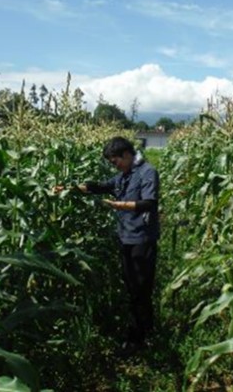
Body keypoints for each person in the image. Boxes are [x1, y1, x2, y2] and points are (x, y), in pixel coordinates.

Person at [54, 136, 160, 352]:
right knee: (132, 288)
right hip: (126, 238)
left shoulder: (148, 172)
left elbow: (150, 203)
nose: (115, 165)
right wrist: (69, 188)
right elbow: (100, 187)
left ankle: (137, 339)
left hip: (142, 239)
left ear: (127, 154)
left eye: (115, 161)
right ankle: (146, 330)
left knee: (141, 289)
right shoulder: (123, 176)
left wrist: (120, 205)